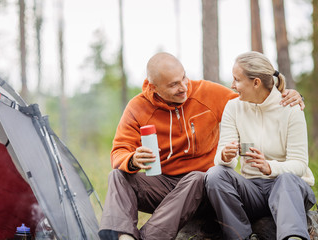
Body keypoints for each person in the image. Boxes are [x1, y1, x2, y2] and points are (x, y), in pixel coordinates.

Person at [98, 52, 304, 240]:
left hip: (202, 188)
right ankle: (124, 236)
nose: (183, 87)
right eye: (173, 85)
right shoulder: (138, 107)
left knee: (197, 177)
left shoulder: (207, 93)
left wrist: (289, 96)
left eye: (184, 78)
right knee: (118, 175)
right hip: (164, 185)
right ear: (153, 87)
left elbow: (253, 98)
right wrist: (132, 160)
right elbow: (119, 151)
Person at [204, 51, 316, 240]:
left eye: (237, 80)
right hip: (253, 191)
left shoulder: (291, 107)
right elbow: (223, 163)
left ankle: (293, 236)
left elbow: (299, 164)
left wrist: (269, 167)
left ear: (256, 82)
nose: (232, 86)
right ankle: (240, 236)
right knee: (215, 175)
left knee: (286, 180)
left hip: (290, 190)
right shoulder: (233, 107)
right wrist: (226, 156)